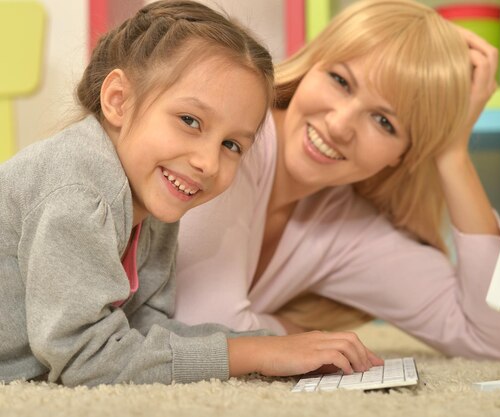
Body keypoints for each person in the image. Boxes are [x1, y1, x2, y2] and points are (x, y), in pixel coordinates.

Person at [0, 0, 381, 387]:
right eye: (190, 121)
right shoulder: (78, 193)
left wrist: (275, 347)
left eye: (232, 145)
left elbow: (145, 329)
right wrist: (255, 355)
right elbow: (86, 358)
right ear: (118, 99)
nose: (209, 163)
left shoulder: (152, 204)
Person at [175, 0, 500, 361]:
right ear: (314, 63)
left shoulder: (347, 227)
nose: (339, 125)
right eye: (340, 80)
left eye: (384, 122)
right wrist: (293, 332)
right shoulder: (234, 144)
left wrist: (452, 153)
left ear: (404, 154)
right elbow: (202, 329)